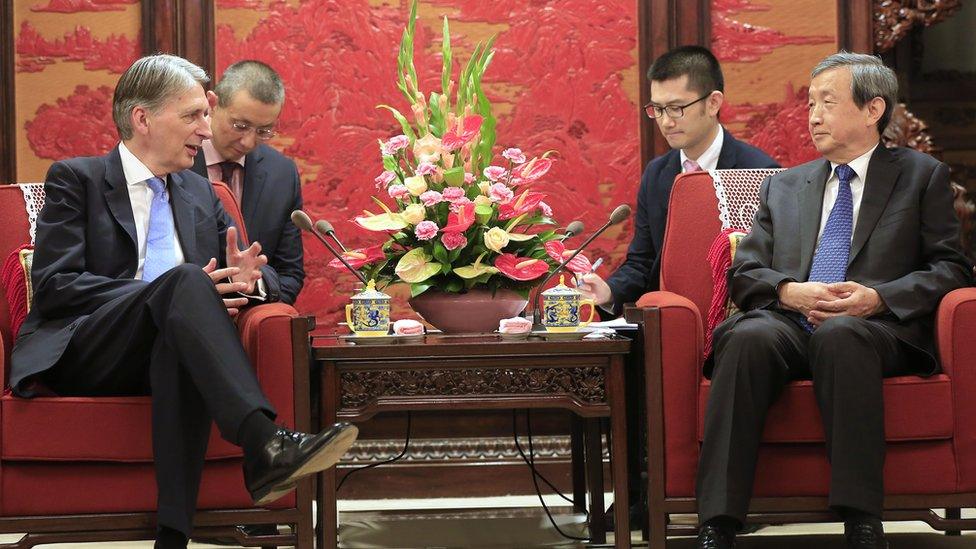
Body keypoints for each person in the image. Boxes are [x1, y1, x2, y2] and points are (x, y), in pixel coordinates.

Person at [9, 54, 357, 549]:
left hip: (165, 345)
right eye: (193, 115)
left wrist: (247, 282)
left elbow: (266, 278)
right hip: (87, 347)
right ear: (143, 118)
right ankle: (263, 442)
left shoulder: (199, 192)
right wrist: (164, 288)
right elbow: (55, 285)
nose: (204, 129)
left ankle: (173, 537)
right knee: (184, 285)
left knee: (183, 324)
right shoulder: (76, 179)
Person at [695, 52, 973, 549]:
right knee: (750, 336)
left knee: (842, 335)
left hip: (873, 328)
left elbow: (952, 268)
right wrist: (787, 290)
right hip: (789, 319)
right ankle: (718, 520)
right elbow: (746, 271)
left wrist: (878, 297)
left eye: (827, 102)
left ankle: (862, 518)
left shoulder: (920, 176)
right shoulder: (785, 185)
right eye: (810, 104)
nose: (813, 116)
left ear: (873, 110)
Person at [577, 45, 779, 316]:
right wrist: (610, 291)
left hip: (740, 319)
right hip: (670, 318)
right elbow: (643, 261)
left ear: (713, 103)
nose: (665, 122)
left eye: (675, 108)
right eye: (657, 109)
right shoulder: (658, 173)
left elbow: (769, 266)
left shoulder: (758, 172)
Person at [191, 60, 304, 305]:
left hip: (251, 315)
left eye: (263, 131)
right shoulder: (177, 160)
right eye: (240, 126)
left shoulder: (281, 174)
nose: (248, 142)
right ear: (212, 104)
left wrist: (252, 291)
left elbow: (290, 274)